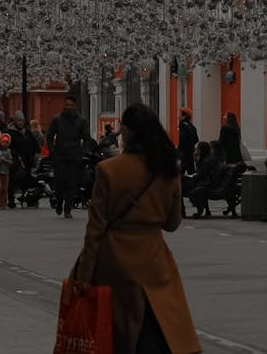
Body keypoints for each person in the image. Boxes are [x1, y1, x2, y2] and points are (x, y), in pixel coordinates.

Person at [75, 103, 200, 354]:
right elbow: (172, 223)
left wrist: (83, 276)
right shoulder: (168, 170)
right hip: (155, 259)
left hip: (115, 261)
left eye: (124, 127)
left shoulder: (108, 170)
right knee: (159, 326)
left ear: (131, 131)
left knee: (120, 334)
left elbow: (95, 229)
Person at [46, 93, 89, 218]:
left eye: (71, 105)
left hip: (74, 156)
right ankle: (59, 201)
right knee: (59, 182)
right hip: (59, 156)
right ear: (64, 105)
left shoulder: (81, 121)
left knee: (71, 183)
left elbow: (86, 138)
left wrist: (84, 152)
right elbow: (49, 137)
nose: (68, 107)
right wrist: (52, 151)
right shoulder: (57, 119)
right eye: (66, 105)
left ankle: (67, 209)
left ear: (75, 106)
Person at [7, 111, 39, 209]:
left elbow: (35, 144)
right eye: (19, 121)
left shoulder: (27, 132)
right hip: (15, 160)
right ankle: (11, 199)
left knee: (27, 180)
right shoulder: (9, 132)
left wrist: (35, 153)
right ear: (15, 121)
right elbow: (6, 145)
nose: (20, 123)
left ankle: (26, 198)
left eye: (22, 121)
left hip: (27, 160)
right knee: (13, 180)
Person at [188, 141, 225, 219]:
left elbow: (201, 174)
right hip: (212, 182)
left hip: (211, 184)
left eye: (211, 148)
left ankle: (199, 209)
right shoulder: (216, 159)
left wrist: (196, 162)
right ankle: (205, 210)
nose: (210, 150)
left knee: (189, 185)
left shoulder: (211, 160)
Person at [177, 108, 199, 176]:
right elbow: (196, 139)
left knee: (180, 173)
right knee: (191, 172)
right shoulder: (192, 126)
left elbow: (182, 138)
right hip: (190, 152)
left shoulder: (182, 125)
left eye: (180, 114)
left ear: (184, 116)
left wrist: (179, 150)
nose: (178, 116)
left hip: (184, 153)